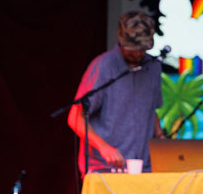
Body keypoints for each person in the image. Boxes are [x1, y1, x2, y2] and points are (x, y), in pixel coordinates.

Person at [67, 11, 165, 175]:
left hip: (144, 168)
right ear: (121, 40)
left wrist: (162, 139)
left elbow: (151, 111)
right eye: (132, 49)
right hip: (104, 168)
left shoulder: (153, 67)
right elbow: (75, 118)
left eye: (142, 49)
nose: (138, 53)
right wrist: (103, 147)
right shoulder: (104, 66)